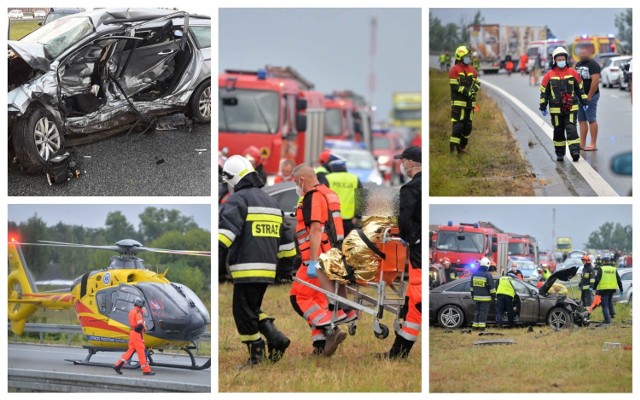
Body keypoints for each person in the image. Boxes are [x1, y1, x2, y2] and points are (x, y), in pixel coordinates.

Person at [219, 155, 295, 368]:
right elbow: (287, 240)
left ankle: (256, 356)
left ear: (233, 178)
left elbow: (226, 234)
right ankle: (277, 339)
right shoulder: (270, 201)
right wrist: (285, 269)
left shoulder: (238, 200)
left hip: (246, 268)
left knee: (242, 313)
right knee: (251, 308)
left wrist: (215, 255)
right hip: (267, 270)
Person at [289, 165, 352, 356]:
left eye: (295, 183)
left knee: (298, 297)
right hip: (331, 255)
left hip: (316, 258)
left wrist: (313, 262)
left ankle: (331, 330)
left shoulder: (313, 196)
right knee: (316, 299)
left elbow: (316, 229)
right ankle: (320, 346)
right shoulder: (329, 193)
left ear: (301, 180)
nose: (296, 188)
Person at [380, 145, 422, 359]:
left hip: (417, 254)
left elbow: (404, 220)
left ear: (410, 163)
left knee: (416, 300)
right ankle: (398, 352)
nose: (401, 164)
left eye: (403, 160)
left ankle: (398, 353)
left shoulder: (410, 189)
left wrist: (408, 238)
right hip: (421, 250)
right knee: (414, 305)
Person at [539, 47, 589, 162]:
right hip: (556, 109)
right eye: (559, 59)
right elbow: (544, 92)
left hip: (571, 107)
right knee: (558, 131)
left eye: (563, 59)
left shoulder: (573, 73)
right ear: (554, 61)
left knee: (571, 129)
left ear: (566, 59)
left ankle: (575, 152)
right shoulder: (549, 75)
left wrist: (584, 101)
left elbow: (580, 89)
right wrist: (542, 105)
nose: (561, 61)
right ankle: (560, 153)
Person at [449, 45, 480, 155]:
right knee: (458, 127)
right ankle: (453, 150)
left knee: (467, 128)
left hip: (469, 104)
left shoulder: (472, 70)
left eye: (469, 56)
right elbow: (454, 86)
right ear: (460, 57)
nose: (469, 58)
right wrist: (466, 91)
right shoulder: (454, 70)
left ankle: (462, 147)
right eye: (466, 56)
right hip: (458, 104)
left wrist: (473, 91)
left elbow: (477, 83)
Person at [113, 297, 155, 376]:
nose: (143, 306)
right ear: (140, 304)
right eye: (142, 304)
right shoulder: (137, 312)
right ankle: (146, 370)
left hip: (132, 333)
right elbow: (139, 325)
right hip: (137, 334)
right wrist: (145, 328)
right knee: (141, 352)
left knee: (130, 351)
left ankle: (118, 365)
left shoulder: (132, 311)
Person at [326, 157, 362, 236]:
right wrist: (357, 217)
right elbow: (361, 198)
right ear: (344, 167)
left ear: (332, 168)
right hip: (349, 220)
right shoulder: (354, 178)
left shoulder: (328, 178)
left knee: (333, 244)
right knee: (347, 244)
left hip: (332, 218)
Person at [575, 47, 601, 151]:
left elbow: (595, 81)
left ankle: (593, 144)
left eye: (584, 52)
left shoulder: (593, 64)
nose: (582, 54)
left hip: (591, 96)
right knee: (581, 120)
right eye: (580, 53)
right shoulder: (578, 64)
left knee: (591, 119)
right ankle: (582, 143)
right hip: (579, 97)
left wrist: (589, 95)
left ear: (589, 53)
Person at [593, 256, 623, 327]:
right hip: (612, 289)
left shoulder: (601, 269)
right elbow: (619, 280)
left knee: (604, 305)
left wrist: (594, 288)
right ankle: (612, 314)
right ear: (609, 262)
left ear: (603, 262)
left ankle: (607, 321)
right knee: (609, 301)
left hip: (603, 290)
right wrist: (621, 289)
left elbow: (597, 279)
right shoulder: (613, 269)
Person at [470, 257, 495, 331]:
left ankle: (475, 327)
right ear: (487, 265)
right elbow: (492, 288)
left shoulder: (474, 274)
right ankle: (481, 328)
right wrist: (494, 296)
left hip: (476, 297)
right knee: (483, 313)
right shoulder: (488, 275)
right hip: (485, 298)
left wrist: (473, 295)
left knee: (477, 312)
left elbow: (471, 287)